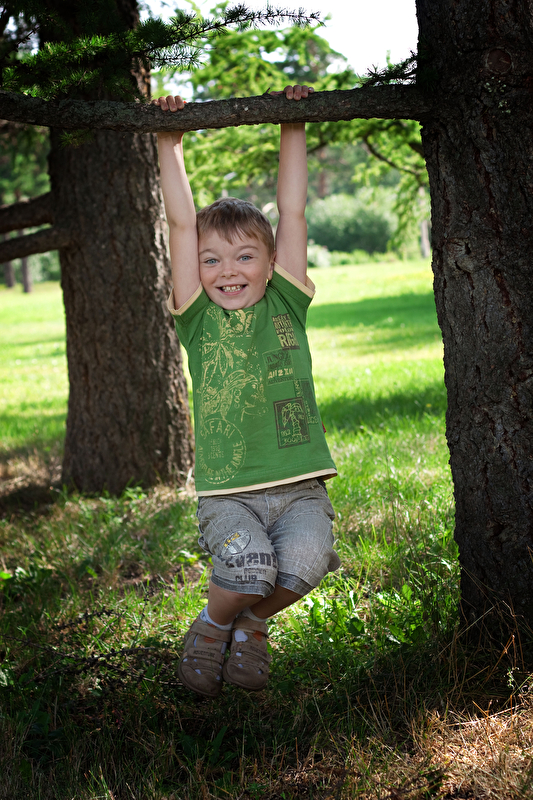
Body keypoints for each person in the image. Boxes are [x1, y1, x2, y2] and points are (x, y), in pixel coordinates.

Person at [155, 85, 340, 698]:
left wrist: (294, 122)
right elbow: (181, 223)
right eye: (211, 260)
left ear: (270, 261)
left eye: (243, 257)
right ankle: (213, 627)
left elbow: (294, 211)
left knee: (307, 563)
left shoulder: (287, 301)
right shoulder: (197, 317)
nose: (227, 271)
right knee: (248, 566)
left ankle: (252, 625)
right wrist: (170, 142)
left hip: (300, 486)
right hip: (230, 493)